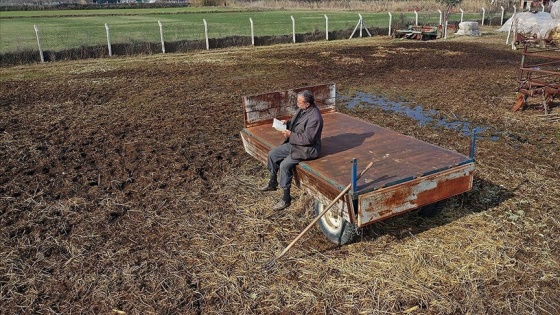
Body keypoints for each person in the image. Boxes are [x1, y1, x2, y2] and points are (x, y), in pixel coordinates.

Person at [260, 90, 323, 211]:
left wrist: (290, 135)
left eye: (299, 102)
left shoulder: (315, 118)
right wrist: (287, 123)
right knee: (272, 154)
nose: (297, 104)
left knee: (284, 165)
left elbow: (308, 139)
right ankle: (272, 183)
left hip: (306, 149)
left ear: (307, 104)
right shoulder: (303, 109)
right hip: (295, 143)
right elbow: (297, 123)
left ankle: (286, 198)